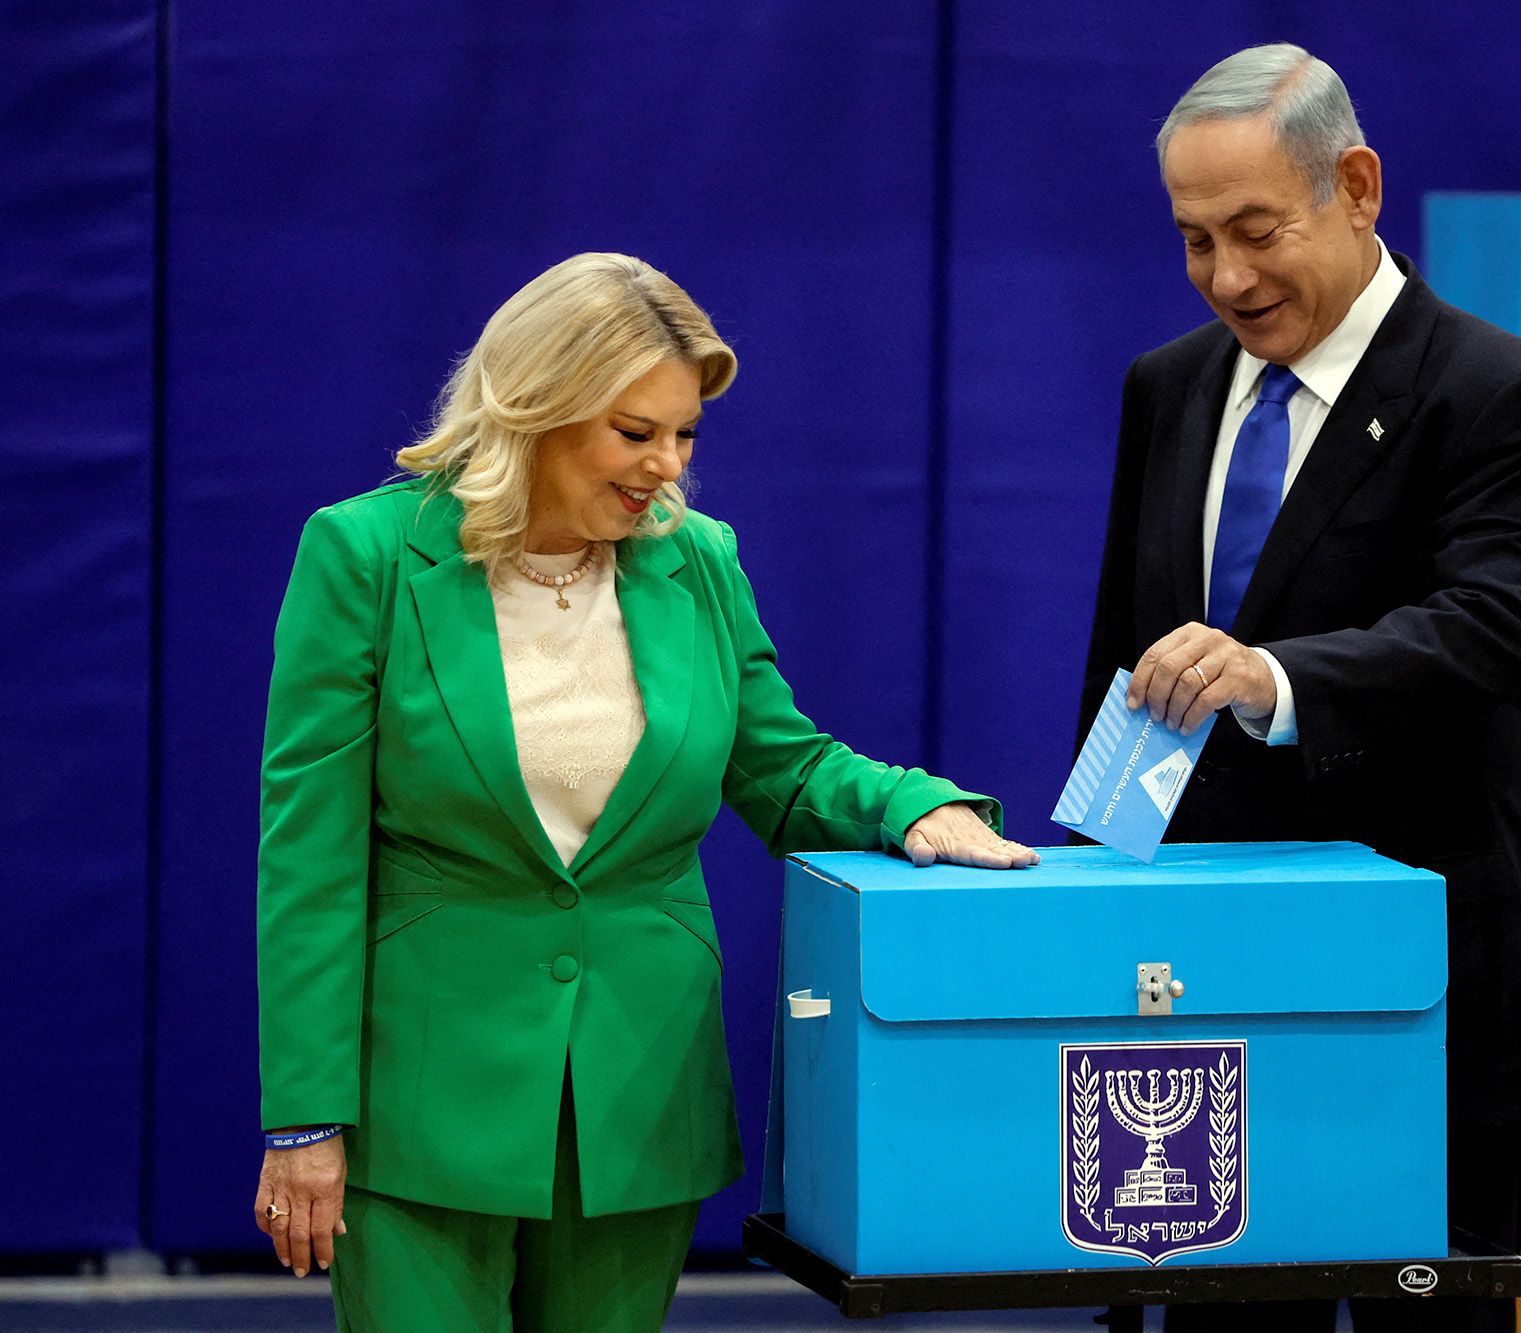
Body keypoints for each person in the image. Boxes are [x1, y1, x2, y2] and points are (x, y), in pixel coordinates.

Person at [252, 252, 1038, 1330]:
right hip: (417, 1103)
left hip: (635, 1099)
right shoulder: (365, 557)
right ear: (536, 405)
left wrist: (913, 809)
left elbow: (781, 765)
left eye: (685, 436)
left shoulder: (699, 562)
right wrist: (304, 1119)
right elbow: (310, 858)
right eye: (635, 432)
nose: (666, 465)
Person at [1076, 44, 1521, 1332]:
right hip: (1201, 988)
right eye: (1193, 240)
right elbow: (1125, 666)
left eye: (1255, 231)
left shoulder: (1498, 394)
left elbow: (1487, 634)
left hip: (1421, 994)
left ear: (1355, 186)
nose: (1226, 277)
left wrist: (1273, 675)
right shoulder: (1168, 386)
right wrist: (1088, 895)